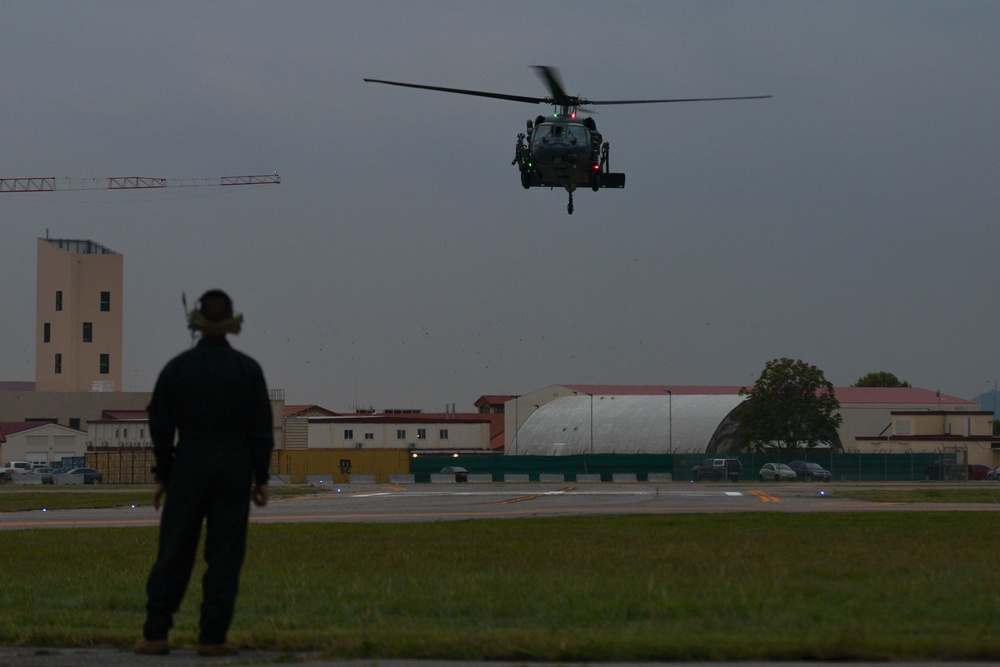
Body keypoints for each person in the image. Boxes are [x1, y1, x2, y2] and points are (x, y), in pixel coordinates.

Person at [136, 289, 274, 657]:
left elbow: (160, 424)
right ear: (232, 321)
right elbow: (262, 429)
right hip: (234, 468)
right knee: (225, 555)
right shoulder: (248, 370)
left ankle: (156, 633)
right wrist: (261, 478)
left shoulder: (177, 369)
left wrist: (164, 473)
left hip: (189, 466)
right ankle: (213, 637)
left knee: (175, 550)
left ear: (196, 320)